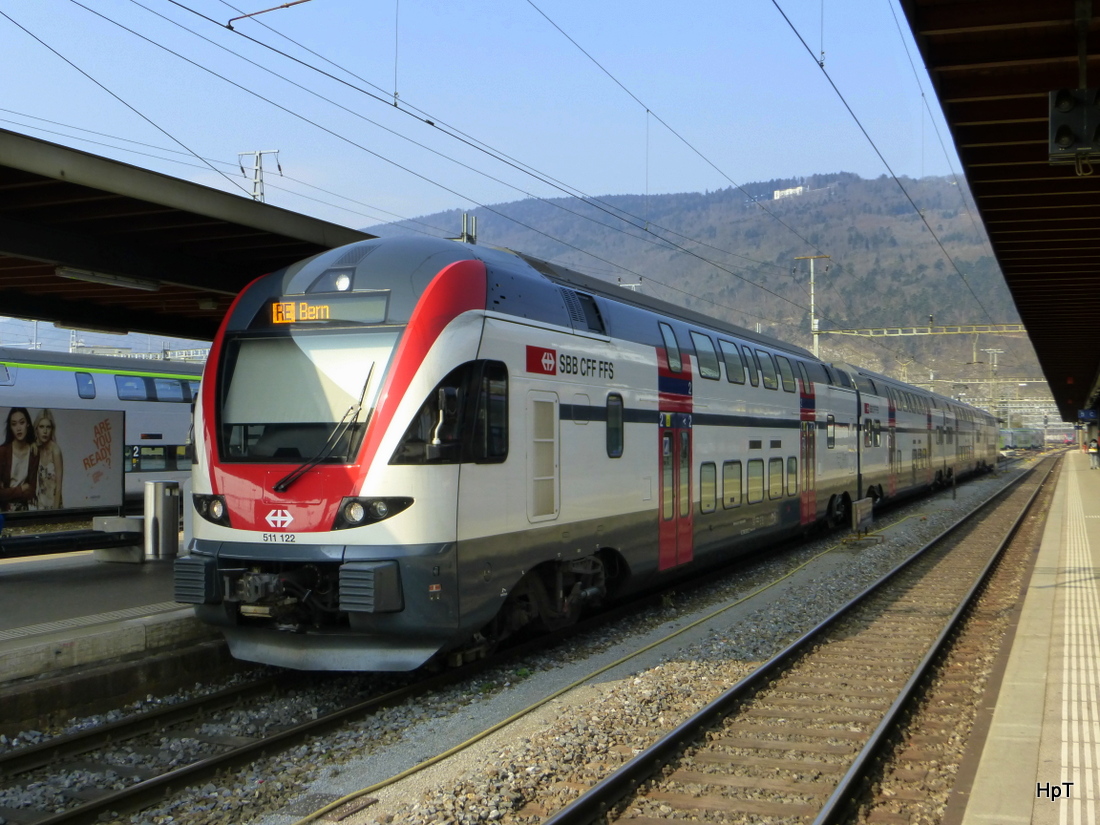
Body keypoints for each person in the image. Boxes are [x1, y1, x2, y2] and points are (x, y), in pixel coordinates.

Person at [0, 407, 39, 511]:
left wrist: (8, 492)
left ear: (28, 424)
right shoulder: (3, 452)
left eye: (22, 423)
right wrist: (21, 489)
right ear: (10, 427)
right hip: (3, 511)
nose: (18, 428)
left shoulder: (33, 452)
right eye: (14, 424)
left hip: (24, 511)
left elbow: (31, 491)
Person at [32, 409, 63, 510]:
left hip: (54, 505)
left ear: (52, 429)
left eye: (48, 427)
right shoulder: (36, 449)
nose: (45, 431)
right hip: (40, 506)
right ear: (36, 429)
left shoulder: (55, 450)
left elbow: (58, 488)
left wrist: (54, 512)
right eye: (41, 427)